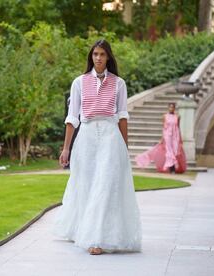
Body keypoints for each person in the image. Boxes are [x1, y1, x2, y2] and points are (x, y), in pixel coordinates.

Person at [51, 39, 142, 255]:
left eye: (102, 54)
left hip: (111, 138)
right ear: (91, 57)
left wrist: (124, 149)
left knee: (105, 186)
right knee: (86, 184)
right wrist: (66, 149)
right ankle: (82, 229)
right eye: (95, 54)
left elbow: (122, 118)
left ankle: (97, 239)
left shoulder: (119, 83)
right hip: (87, 137)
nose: (98, 58)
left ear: (108, 57)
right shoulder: (79, 83)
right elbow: (72, 118)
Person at [135, 103, 187, 173]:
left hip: (175, 136)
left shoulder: (177, 116)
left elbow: (178, 127)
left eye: (173, 107)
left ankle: (172, 168)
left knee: (175, 151)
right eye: (170, 107)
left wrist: (180, 138)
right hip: (168, 135)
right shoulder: (165, 116)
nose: (171, 109)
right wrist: (162, 138)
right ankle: (172, 169)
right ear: (168, 108)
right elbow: (164, 128)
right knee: (169, 151)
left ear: (174, 108)